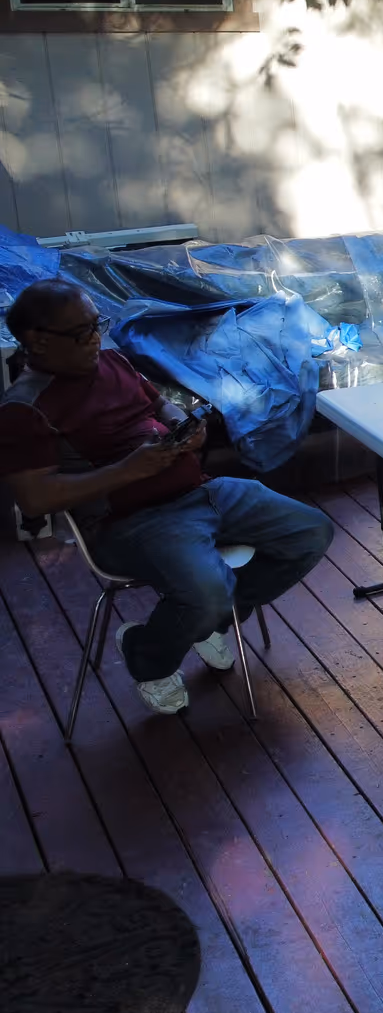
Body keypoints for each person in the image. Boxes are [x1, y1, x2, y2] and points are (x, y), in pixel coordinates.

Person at [0, 279, 334, 716]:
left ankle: (201, 624)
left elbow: (161, 408)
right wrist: (127, 470)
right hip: (132, 522)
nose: (96, 337)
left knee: (311, 531)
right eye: (81, 332)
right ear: (37, 341)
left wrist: (186, 428)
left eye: (97, 324)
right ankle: (148, 654)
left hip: (202, 491)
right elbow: (35, 498)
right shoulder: (23, 409)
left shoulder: (112, 361)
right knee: (207, 591)